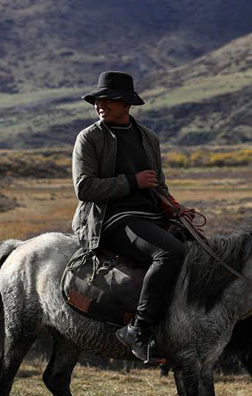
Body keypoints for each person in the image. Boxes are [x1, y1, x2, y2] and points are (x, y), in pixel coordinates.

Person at [71, 71, 194, 362]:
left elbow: (158, 183)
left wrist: (172, 206)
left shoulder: (148, 138)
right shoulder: (89, 138)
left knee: (199, 251)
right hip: (111, 218)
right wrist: (131, 182)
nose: (101, 105)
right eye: (98, 100)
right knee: (169, 252)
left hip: (150, 215)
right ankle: (138, 330)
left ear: (126, 103)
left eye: (108, 100)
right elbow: (84, 188)